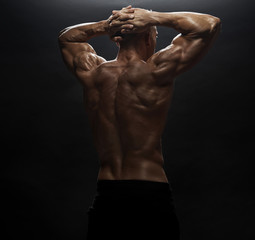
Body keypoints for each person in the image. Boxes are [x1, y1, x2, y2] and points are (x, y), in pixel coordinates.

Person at [58, 5, 221, 240]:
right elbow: (210, 24)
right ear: (147, 35)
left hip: (107, 194)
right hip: (150, 194)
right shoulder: (156, 71)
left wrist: (106, 26)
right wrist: (153, 18)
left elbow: (66, 38)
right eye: (155, 35)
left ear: (117, 39)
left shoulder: (92, 72)